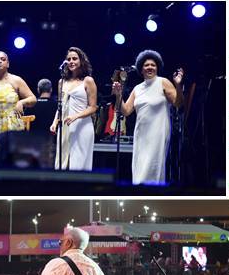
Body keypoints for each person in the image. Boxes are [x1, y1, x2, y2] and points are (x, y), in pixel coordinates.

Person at [112, 49, 183, 185]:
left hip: (158, 132)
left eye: (153, 65)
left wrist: (177, 85)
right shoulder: (137, 88)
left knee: (153, 168)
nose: (150, 67)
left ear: (157, 67)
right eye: (146, 65)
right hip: (141, 134)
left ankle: (153, 196)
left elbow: (179, 103)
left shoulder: (163, 82)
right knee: (140, 168)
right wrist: (118, 95)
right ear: (141, 69)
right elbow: (126, 111)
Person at [51, 47, 98, 171]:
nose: (71, 61)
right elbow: (61, 106)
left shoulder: (88, 81)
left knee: (79, 164)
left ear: (81, 61)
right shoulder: (62, 82)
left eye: (74, 59)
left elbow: (93, 107)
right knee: (61, 163)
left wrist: (76, 116)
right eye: (69, 59)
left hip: (82, 126)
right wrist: (55, 121)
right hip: (65, 126)